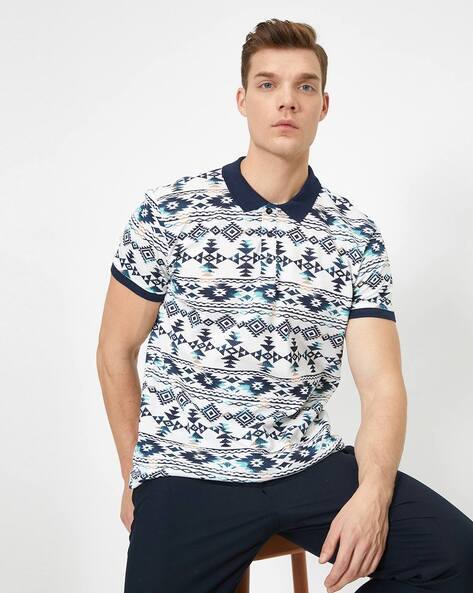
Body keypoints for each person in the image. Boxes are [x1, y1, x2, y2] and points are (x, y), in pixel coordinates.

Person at [96, 17, 473, 593]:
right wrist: (136, 475)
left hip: (306, 465)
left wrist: (373, 494)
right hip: (188, 469)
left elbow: (382, 386)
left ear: (324, 105)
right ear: (242, 100)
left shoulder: (354, 234)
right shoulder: (171, 210)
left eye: (305, 86)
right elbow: (114, 351)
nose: (287, 101)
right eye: (268, 84)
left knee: (457, 558)